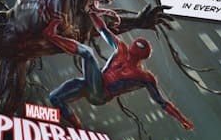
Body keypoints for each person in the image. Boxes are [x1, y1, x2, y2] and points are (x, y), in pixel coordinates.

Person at [43, 7, 194, 131]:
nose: (133, 51)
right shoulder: (121, 49)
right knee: (54, 97)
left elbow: (162, 102)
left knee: (88, 53)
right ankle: (79, 128)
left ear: (142, 55)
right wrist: (91, 13)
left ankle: (50, 36)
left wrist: (182, 119)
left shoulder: (144, 76)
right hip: (91, 84)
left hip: (101, 93)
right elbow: (102, 29)